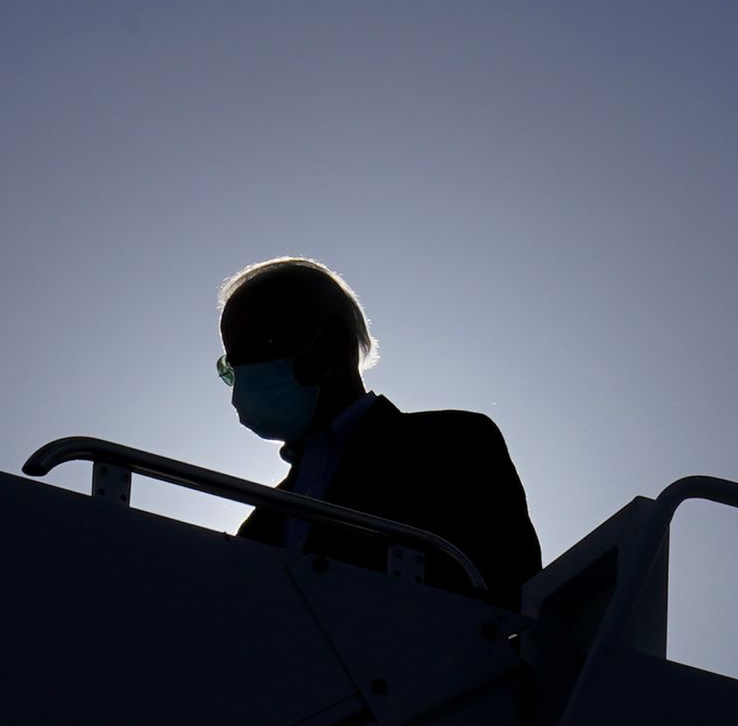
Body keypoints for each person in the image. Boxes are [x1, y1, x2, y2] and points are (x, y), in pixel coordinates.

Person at [217, 256, 541, 610]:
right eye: (232, 365)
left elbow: (515, 599)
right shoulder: (263, 521)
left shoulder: (453, 444)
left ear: (332, 342)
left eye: (258, 348)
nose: (245, 375)